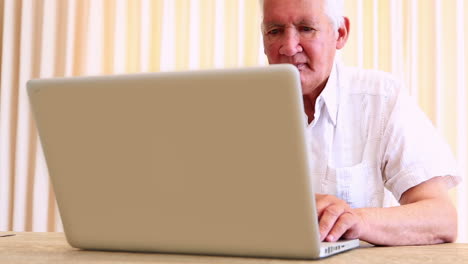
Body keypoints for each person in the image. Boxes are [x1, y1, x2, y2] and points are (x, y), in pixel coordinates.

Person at [260, 0, 462, 245]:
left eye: (306, 28)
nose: (289, 47)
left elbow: (441, 219)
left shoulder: (382, 98)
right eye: (275, 31)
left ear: (341, 34)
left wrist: (355, 221)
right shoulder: (237, 107)